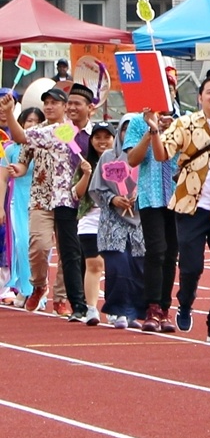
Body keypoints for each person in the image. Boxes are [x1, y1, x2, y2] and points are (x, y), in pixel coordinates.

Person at [149, 74, 210, 343]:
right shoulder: (185, 123)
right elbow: (161, 155)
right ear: (200, 97)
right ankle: (185, 302)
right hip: (189, 206)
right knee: (191, 267)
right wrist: (155, 131)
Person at [3, 83, 94, 322]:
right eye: (47, 102)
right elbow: (21, 139)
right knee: (39, 247)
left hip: (69, 199)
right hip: (41, 198)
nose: (50, 106)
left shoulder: (71, 131)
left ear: (65, 107)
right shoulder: (46, 131)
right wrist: (11, 115)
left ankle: (66, 299)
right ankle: (39, 284)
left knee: (69, 253)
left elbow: (84, 153)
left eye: (55, 102)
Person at [124, 78, 181, 333]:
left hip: (179, 196)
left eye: (169, 89)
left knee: (172, 253)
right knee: (156, 250)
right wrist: (151, 130)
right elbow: (133, 160)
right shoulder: (138, 121)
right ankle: (152, 308)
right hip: (150, 196)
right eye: (160, 88)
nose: (165, 94)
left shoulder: (185, 120)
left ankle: (166, 309)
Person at [91, 115, 147, 330]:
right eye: (125, 130)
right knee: (118, 266)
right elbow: (97, 189)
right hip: (113, 222)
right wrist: (114, 199)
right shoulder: (108, 157)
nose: (128, 135)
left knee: (137, 268)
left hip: (140, 223)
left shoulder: (147, 158)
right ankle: (117, 310)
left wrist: (139, 198)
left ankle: (133, 311)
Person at [2, 106, 43, 306]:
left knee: (39, 247)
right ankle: (24, 288)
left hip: (41, 203)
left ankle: (36, 290)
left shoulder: (45, 146)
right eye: (28, 121)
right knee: (21, 244)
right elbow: (2, 179)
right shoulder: (11, 149)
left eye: (36, 121)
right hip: (17, 202)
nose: (32, 125)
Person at [77, 121, 116, 325]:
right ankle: (91, 309)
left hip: (116, 220)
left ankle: (114, 308)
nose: (102, 141)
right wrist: (86, 174)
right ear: (91, 140)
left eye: (106, 137)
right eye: (97, 137)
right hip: (90, 219)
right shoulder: (85, 163)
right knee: (94, 263)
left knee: (114, 265)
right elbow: (77, 193)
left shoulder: (122, 162)